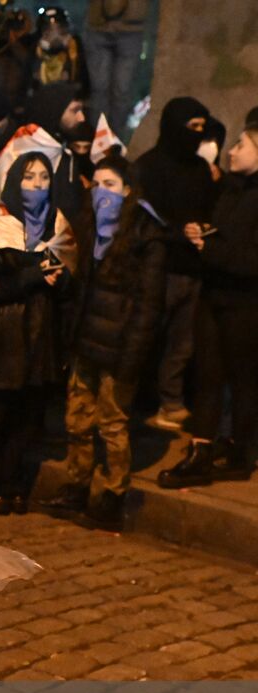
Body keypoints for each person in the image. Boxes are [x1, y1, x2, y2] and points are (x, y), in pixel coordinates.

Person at [43, 156, 165, 528]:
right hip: (87, 344)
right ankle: (77, 484)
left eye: (110, 185)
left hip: (119, 347)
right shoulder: (92, 226)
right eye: (96, 185)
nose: (102, 194)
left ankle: (113, 493)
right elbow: (82, 290)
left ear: (128, 189)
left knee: (112, 424)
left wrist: (132, 355)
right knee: (77, 419)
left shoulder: (145, 234)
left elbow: (149, 304)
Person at [159, 113, 258, 490]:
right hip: (214, 295)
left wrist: (210, 248)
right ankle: (201, 448)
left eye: (240, 145)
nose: (231, 151)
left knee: (244, 380)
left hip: (245, 304)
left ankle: (239, 450)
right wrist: (201, 233)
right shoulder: (231, 189)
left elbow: (249, 257)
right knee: (207, 375)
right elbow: (225, 234)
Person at [0, 152, 78, 513]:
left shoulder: (60, 226)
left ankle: (15, 482)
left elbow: (71, 285)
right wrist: (33, 276)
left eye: (43, 178)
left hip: (40, 339)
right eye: (29, 177)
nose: (36, 185)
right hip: (4, 339)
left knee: (30, 417)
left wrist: (62, 279)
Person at [132, 97, 221, 432]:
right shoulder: (149, 167)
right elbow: (140, 219)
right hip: (159, 269)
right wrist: (174, 231)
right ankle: (139, 401)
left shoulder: (200, 170)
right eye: (192, 128)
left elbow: (211, 210)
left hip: (191, 269)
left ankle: (170, 401)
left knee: (182, 344)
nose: (197, 135)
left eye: (201, 128)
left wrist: (203, 231)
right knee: (148, 338)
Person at [0, 81, 87, 211]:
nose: (81, 118)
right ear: (55, 110)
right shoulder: (18, 151)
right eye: (75, 110)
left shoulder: (62, 149)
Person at [85, 0, 147, 138]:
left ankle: (115, 144)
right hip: (99, 24)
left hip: (131, 27)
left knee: (122, 90)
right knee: (99, 89)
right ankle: (96, 141)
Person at [33, 6, 89, 93]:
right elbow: (29, 80)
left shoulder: (74, 47)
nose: (55, 35)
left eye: (60, 30)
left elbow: (82, 77)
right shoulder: (36, 50)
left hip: (69, 95)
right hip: (42, 95)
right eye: (48, 30)